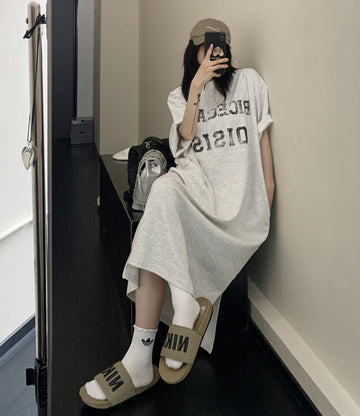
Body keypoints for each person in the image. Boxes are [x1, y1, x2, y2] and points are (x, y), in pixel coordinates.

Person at [79, 17, 275, 409]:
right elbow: (186, 135)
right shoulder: (180, 96)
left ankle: (142, 355)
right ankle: (171, 320)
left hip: (235, 205)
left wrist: (264, 202)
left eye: (221, 45)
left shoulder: (250, 82)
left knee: (161, 206)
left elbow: (263, 149)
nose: (214, 52)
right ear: (193, 50)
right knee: (165, 189)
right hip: (195, 189)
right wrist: (197, 87)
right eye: (207, 46)